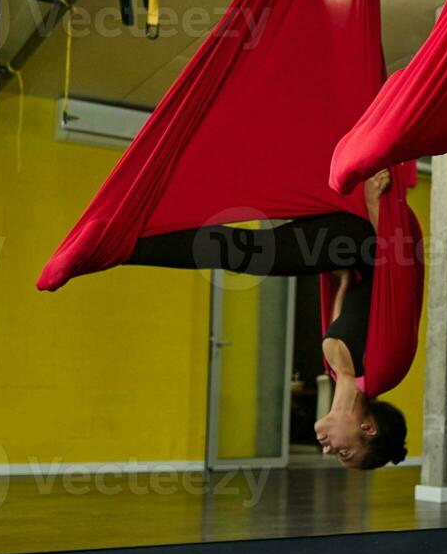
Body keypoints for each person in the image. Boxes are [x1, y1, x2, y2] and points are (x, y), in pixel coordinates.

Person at [128, 170, 410, 470]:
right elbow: (399, 282)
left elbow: (346, 292)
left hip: (344, 252)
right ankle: (126, 244)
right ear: (368, 429)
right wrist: (375, 206)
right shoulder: (384, 368)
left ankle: (132, 237)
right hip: (360, 241)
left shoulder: (337, 370)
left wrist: (336, 273)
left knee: (245, 251)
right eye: (344, 453)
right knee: (247, 252)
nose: (329, 452)